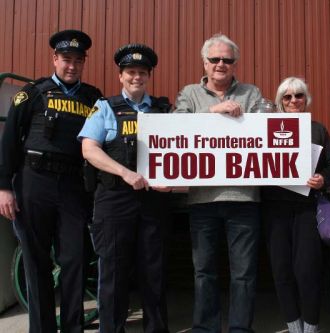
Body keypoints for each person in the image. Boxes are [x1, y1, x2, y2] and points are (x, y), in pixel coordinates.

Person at [0, 30, 102, 333]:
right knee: (37, 262)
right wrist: (4, 187)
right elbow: (8, 143)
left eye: (77, 61)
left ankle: (72, 328)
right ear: (55, 59)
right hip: (34, 182)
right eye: (66, 59)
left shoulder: (93, 98)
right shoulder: (31, 93)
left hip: (72, 185)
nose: (71, 66)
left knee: (75, 261)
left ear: (84, 62)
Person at [78, 44, 172, 333]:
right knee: (114, 273)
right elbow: (89, 149)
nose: (136, 77)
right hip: (114, 199)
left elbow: (180, 151)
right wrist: (125, 173)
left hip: (153, 201)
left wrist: (174, 182)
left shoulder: (163, 110)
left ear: (149, 76)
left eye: (142, 73)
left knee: (153, 272)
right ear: (120, 76)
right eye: (131, 72)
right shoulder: (105, 107)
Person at [175, 33, 262, 333]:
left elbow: (266, 128)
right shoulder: (189, 94)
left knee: (244, 273)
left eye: (227, 59)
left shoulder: (251, 93)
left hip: (244, 198)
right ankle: (205, 328)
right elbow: (175, 127)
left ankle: (240, 329)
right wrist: (214, 111)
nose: (221, 64)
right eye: (215, 59)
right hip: (202, 200)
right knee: (204, 272)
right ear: (205, 62)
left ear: (235, 63)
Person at [261, 77, 330, 333]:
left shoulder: (317, 129)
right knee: (281, 271)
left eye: (299, 96)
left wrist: (322, 179)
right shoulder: (263, 128)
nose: (294, 101)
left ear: (306, 99)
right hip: (274, 209)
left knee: (307, 271)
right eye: (287, 97)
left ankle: (311, 326)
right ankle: (294, 326)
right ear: (280, 102)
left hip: (306, 208)